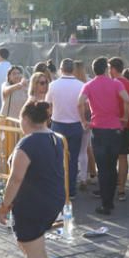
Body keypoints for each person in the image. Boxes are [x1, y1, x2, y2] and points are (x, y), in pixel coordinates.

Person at [0, 101, 67, 258]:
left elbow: (15, 179)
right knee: (33, 245)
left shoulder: (27, 144)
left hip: (33, 202)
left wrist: (4, 205)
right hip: (53, 198)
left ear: (26, 119)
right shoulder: (55, 138)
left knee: (33, 249)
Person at [78, 57, 129, 215]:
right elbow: (127, 100)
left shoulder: (89, 85)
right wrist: (125, 117)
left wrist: (83, 121)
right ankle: (110, 200)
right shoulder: (116, 83)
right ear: (106, 69)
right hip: (114, 128)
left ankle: (105, 203)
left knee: (102, 167)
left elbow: (79, 102)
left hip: (98, 129)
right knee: (112, 165)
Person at [47, 58, 85, 200]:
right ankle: (72, 190)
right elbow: (85, 105)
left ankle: (60, 188)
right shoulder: (81, 85)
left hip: (58, 124)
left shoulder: (53, 85)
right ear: (73, 69)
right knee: (73, 159)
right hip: (76, 124)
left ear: (61, 69)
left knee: (58, 159)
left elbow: (48, 104)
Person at [108, 57, 129, 201]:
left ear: (112, 69)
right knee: (123, 156)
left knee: (112, 157)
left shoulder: (114, 83)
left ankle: (111, 187)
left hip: (115, 124)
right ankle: (121, 189)